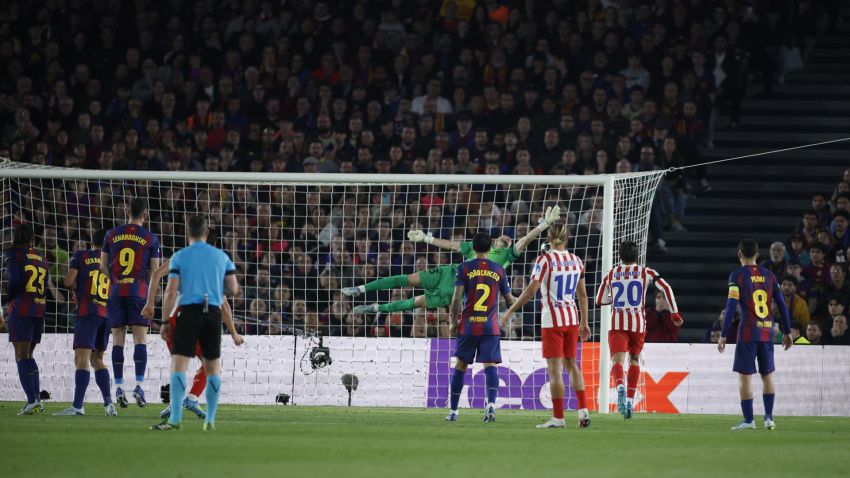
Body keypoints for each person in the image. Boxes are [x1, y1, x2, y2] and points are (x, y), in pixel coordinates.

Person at [344, 206, 561, 314]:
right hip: (448, 273)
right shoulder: (479, 244)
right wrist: (426, 238)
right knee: (404, 279)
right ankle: (360, 289)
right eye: (505, 236)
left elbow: (525, 240)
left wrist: (543, 225)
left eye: (510, 238)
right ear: (495, 240)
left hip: (458, 289)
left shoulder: (506, 256)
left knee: (414, 302)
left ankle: (373, 308)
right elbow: (450, 245)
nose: (509, 238)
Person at [142, 230, 244, 421]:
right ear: (214, 245)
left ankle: (179, 401)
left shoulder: (181, 257)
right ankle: (191, 398)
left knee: (179, 363)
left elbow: (155, 274)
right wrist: (233, 333)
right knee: (209, 362)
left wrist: (149, 305)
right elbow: (224, 303)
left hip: (173, 315)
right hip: (196, 315)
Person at [501, 223, 592, 428]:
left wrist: (510, 310)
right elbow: (583, 295)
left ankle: (559, 418)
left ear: (548, 239)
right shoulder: (577, 261)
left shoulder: (544, 260)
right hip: (572, 320)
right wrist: (584, 322)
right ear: (567, 238)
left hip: (552, 321)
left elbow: (530, 291)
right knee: (572, 366)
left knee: (555, 370)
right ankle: (583, 412)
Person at [596, 241, 681, 418]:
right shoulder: (646, 272)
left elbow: (600, 300)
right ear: (637, 256)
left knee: (617, 361)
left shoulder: (611, 273)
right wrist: (674, 312)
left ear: (619, 257)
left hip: (618, 324)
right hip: (637, 324)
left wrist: (617, 299)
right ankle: (629, 400)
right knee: (634, 359)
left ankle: (620, 386)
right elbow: (666, 287)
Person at [718, 239, 792, 431]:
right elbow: (782, 305)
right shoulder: (770, 275)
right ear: (758, 255)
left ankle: (749, 420)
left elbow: (731, 305)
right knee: (767, 375)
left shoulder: (737, 276)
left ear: (739, 255)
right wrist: (787, 331)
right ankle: (769, 419)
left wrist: (724, 333)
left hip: (748, 332)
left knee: (745, 377)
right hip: (767, 331)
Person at [444, 232, 515, 423]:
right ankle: (490, 404)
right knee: (490, 365)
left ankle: (454, 411)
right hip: (490, 326)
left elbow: (456, 297)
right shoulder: (499, 269)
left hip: (469, 326)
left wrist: (453, 322)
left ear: (473, 248)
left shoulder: (464, 267)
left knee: (461, 365)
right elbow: (510, 300)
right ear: (490, 248)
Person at [101, 198, 161, 408]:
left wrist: (114, 283)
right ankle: (138, 386)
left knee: (117, 341)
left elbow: (103, 267)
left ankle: (118, 387)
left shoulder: (111, 234)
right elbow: (155, 271)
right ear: (145, 215)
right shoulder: (150, 237)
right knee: (140, 340)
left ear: (128, 212)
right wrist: (149, 290)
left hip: (116, 292)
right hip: (139, 292)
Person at [53, 229, 117, 417]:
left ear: (91, 242)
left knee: (81, 360)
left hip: (87, 312)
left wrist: (75, 288)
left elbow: (67, 282)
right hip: (106, 315)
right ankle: (109, 404)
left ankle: (78, 406)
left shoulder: (81, 255)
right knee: (97, 360)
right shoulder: (112, 262)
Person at [3, 224, 50, 415]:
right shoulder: (42, 257)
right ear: (32, 240)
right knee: (29, 355)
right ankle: (36, 400)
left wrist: (8, 299)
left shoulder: (11, 254)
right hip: (39, 309)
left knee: (21, 356)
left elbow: (14, 280)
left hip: (21, 309)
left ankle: (32, 400)